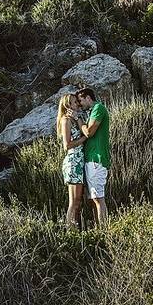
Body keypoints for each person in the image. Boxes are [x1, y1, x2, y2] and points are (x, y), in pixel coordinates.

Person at [74, 87, 110, 227]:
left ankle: (103, 230)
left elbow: (89, 132)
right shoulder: (91, 112)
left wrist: (78, 120)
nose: (79, 104)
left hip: (97, 159)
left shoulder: (98, 108)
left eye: (80, 100)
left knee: (98, 199)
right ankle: (99, 228)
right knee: (93, 199)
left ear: (88, 97)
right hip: (91, 160)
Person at [56, 92, 87, 227]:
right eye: (75, 102)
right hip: (73, 162)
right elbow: (66, 145)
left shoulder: (74, 119)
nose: (77, 104)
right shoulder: (65, 120)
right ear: (68, 105)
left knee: (78, 201)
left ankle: (74, 229)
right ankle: (70, 232)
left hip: (79, 161)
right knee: (73, 202)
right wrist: (84, 139)